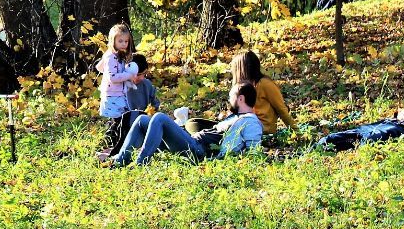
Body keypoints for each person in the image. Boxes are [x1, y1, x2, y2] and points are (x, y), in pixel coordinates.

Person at [110, 84, 261, 166]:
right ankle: (121, 159)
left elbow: (253, 149)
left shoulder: (250, 121)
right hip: (192, 141)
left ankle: (141, 161)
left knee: (160, 118)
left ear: (240, 99)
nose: (229, 100)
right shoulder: (235, 117)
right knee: (142, 120)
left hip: (198, 150)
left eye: (231, 97)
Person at [96, 24, 138, 156]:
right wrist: (128, 75)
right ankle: (110, 141)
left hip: (118, 92)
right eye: (120, 41)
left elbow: (99, 67)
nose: (124, 44)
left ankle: (114, 140)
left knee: (119, 118)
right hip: (112, 94)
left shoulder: (116, 55)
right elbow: (112, 77)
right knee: (118, 119)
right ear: (112, 40)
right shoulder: (111, 57)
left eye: (126, 41)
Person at [230, 50, 295, 134]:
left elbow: (281, 109)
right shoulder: (240, 88)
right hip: (245, 124)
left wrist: (297, 132)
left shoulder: (265, 84)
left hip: (263, 129)